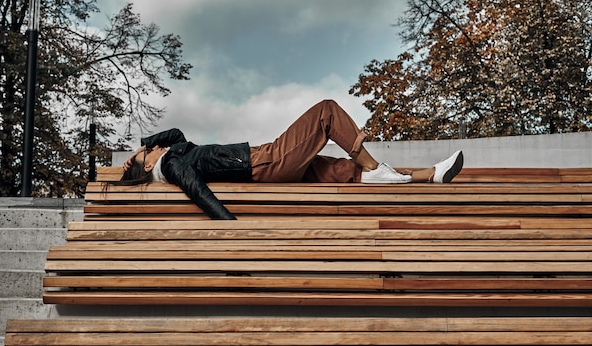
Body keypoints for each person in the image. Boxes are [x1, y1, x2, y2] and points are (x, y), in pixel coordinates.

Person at [113, 99, 464, 220]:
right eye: (150, 151)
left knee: (345, 171)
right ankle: (376, 167)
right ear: (150, 164)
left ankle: (429, 175)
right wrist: (229, 227)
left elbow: (174, 133)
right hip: (264, 162)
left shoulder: (175, 152)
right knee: (326, 112)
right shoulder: (173, 166)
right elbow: (198, 191)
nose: (156, 148)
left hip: (264, 162)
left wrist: (141, 146)